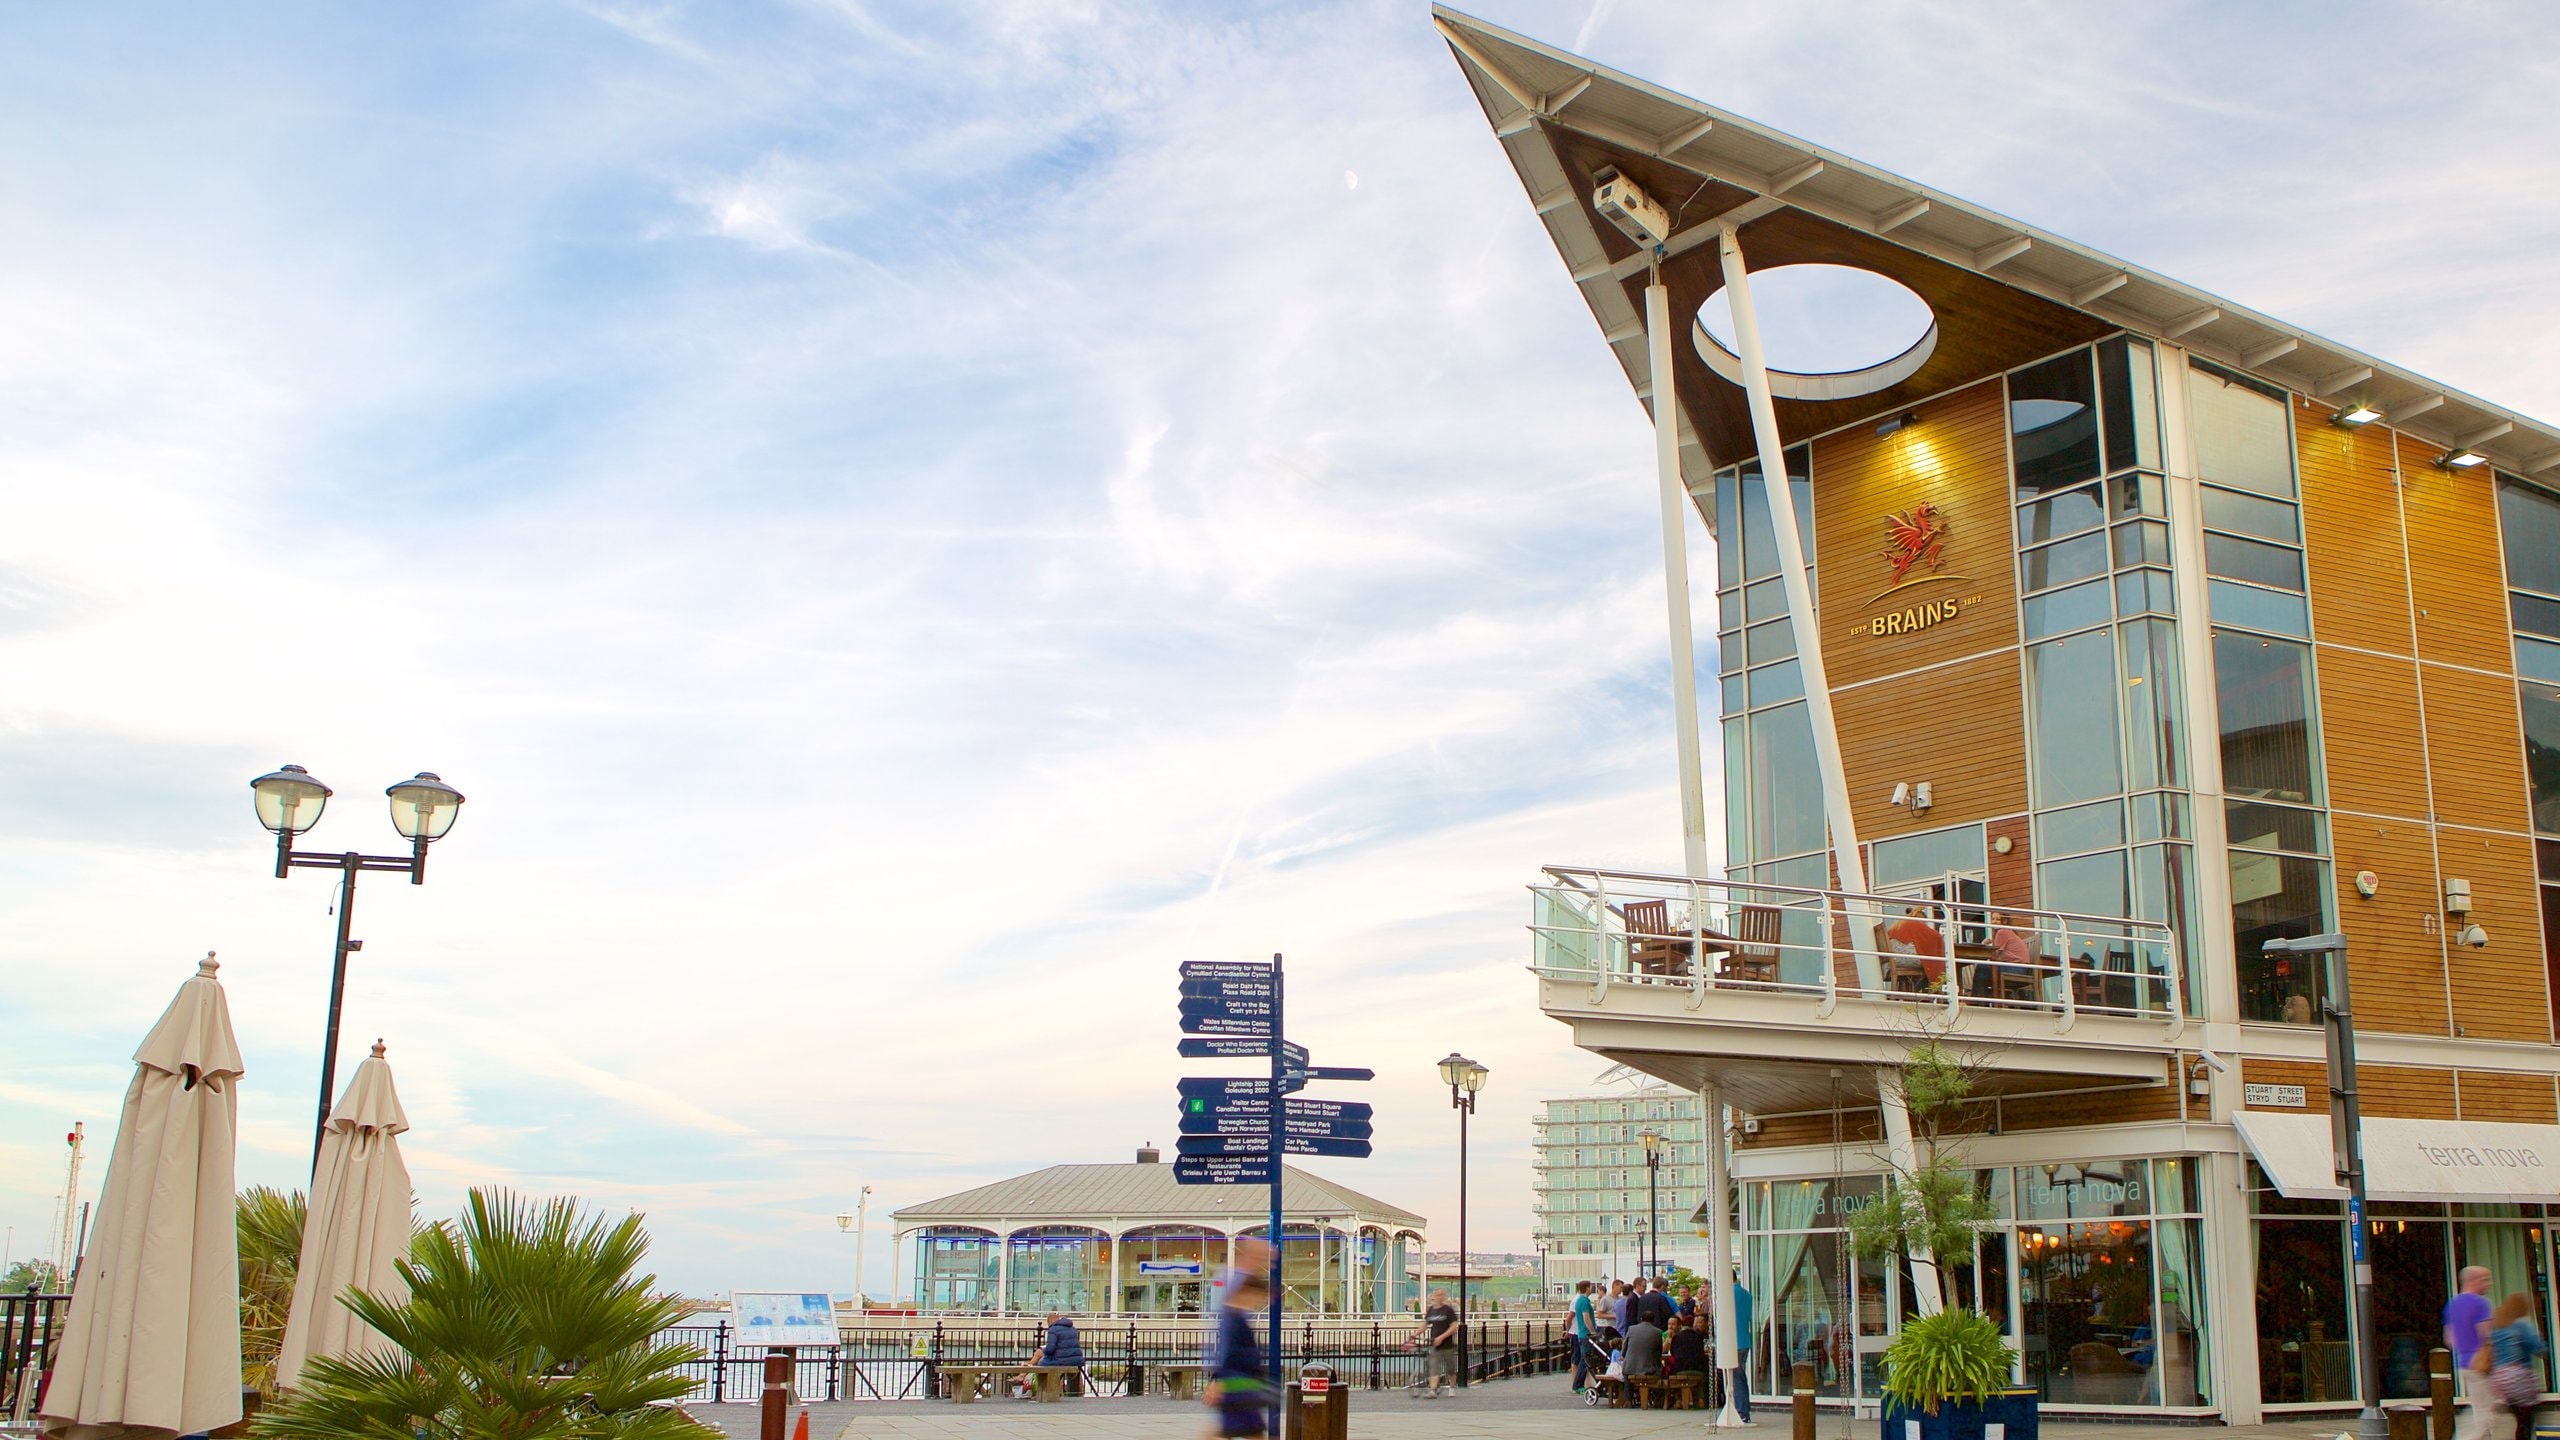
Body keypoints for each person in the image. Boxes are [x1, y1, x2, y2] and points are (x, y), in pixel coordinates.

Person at [1207, 1270, 1274, 1440]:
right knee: (1249, 1433)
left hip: (1240, 1386)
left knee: (1227, 1431)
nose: (1257, 1302)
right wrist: (1218, 1381)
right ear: (1248, 1292)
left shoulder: (1234, 1317)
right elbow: (1228, 1352)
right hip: (1238, 1387)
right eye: (1258, 1296)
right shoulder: (1233, 1319)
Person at [2486, 1292, 2547, 1440]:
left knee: (2519, 1416)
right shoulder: (2521, 1324)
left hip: (2500, 1378)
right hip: (2518, 1377)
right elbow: (2538, 1347)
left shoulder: (2497, 1326)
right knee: (2527, 1418)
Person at [2448, 1266, 2496, 1440]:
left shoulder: (2452, 1305)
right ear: (2474, 1281)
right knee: (2486, 1414)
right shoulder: (2480, 1304)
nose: (2489, 1284)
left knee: (2479, 1408)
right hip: (2480, 1364)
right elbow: (2486, 1334)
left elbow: (2450, 1338)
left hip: (2463, 1363)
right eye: (2485, 1280)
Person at [1019, 1311, 1084, 1398]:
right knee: (1044, 1361)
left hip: (1061, 1360)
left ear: (1050, 1321)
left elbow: (1050, 1349)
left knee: (1040, 1365)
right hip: (1076, 1360)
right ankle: (1068, 1392)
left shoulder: (1053, 1329)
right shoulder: (1073, 1329)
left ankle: (1043, 1392)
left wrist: (1044, 1350)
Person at [1883, 904, 1949, 988]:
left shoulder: (1898, 925)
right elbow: (1935, 936)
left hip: (1890, 960)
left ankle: (1917, 991)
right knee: (1935, 962)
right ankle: (1935, 990)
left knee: (1927, 960)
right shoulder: (1915, 924)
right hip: (1902, 958)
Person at [1417, 1287, 1461, 1399]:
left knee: (1450, 1368)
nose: (1438, 1297)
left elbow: (1454, 1327)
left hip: (1447, 1345)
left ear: (1444, 1297)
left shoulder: (1448, 1310)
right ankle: (1432, 1390)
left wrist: (1442, 1337)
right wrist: (1415, 1334)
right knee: (1434, 1367)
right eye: (1437, 1295)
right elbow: (1425, 1324)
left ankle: (1452, 1386)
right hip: (1435, 1345)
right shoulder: (1431, 1310)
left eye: (1441, 1295)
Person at [1982, 911, 2033, 999]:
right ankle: (1983, 999)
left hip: (2017, 969)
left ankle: (1978, 1000)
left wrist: (1983, 945)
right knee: (1984, 969)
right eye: (1993, 919)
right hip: (2022, 968)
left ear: (2004, 921)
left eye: (1998, 919)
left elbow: (1994, 955)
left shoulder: (2002, 932)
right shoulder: (2008, 931)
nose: (1994, 921)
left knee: (1982, 968)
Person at [1730, 1272, 1756, 1423]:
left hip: (1733, 1341)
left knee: (1736, 1378)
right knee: (1740, 1377)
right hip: (1744, 1340)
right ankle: (1743, 1410)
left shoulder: (1727, 1294)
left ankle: (1741, 1411)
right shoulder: (1746, 1294)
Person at [1569, 1280, 1597, 1394]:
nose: (1592, 1289)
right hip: (1586, 1334)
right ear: (1586, 1288)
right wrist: (1593, 1332)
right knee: (1585, 1360)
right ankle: (1578, 1384)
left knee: (1583, 1359)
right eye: (1591, 1287)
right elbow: (1586, 1318)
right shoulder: (1584, 1301)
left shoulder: (1579, 1301)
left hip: (1581, 1333)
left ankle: (1577, 1384)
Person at [1624, 1311, 1664, 1379]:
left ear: (1641, 1319)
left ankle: (1627, 1390)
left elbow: (1624, 1349)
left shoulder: (1631, 1329)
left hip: (1628, 1368)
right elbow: (1658, 1353)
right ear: (1654, 1320)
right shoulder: (1658, 1332)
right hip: (1647, 1370)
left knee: (1628, 1384)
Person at [1667, 1311, 1708, 1376]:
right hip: (1696, 1368)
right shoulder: (1698, 1336)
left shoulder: (1677, 1336)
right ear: (1693, 1324)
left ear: (1681, 1325)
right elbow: (1701, 1352)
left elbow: (1673, 1353)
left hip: (1679, 1368)